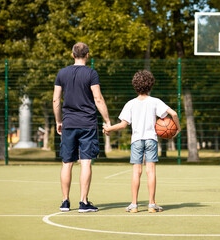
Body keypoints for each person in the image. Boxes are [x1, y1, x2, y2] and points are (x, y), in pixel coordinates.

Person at [103, 70, 181, 213]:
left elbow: (122, 125)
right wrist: (178, 128)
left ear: (135, 86)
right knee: (150, 171)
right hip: (151, 139)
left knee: (136, 172)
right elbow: (174, 114)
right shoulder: (155, 101)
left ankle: (134, 205)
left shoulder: (130, 104)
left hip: (136, 140)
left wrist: (109, 128)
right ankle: (152, 205)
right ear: (151, 85)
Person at [53, 42, 111, 213]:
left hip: (69, 123)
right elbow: (98, 98)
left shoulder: (62, 73)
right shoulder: (91, 73)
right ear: (87, 55)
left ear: (72, 55)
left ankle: (65, 202)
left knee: (67, 163)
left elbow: (56, 100)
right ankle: (83, 202)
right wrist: (107, 120)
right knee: (85, 162)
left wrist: (58, 121)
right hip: (87, 124)